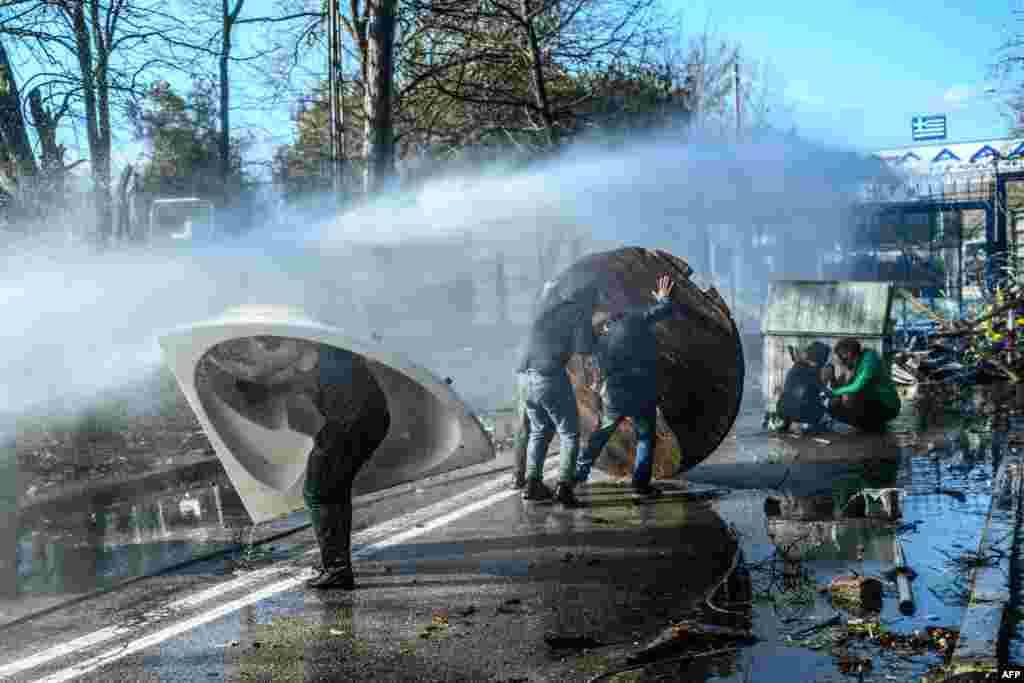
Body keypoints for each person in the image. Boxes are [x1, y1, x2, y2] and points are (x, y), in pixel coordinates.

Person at [205, 335, 389, 590]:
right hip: (363, 418)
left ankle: (337, 569)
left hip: (351, 422)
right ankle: (335, 564)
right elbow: (270, 374)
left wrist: (215, 356)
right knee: (331, 490)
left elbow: (263, 371)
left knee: (320, 493)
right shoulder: (322, 348)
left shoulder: (303, 349)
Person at [575, 275, 676, 497]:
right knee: (645, 437)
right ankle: (640, 485)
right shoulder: (634, 319)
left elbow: (587, 358)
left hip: (615, 396)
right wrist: (663, 298)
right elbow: (664, 310)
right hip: (641, 394)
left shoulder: (599, 339)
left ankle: (578, 474)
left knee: (601, 434)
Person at [517, 282, 598, 506]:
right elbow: (585, 348)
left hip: (523, 378)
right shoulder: (579, 311)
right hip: (548, 376)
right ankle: (564, 487)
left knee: (539, 430)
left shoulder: (545, 309)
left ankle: (532, 484)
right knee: (570, 433)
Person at [823, 338, 901, 433]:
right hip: (872, 401)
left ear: (848, 354)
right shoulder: (855, 363)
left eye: (841, 356)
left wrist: (833, 392)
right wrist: (832, 378)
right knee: (835, 405)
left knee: (848, 398)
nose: (841, 361)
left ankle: (871, 425)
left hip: (887, 405)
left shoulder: (869, 359)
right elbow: (842, 387)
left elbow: (857, 386)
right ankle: (867, 424)